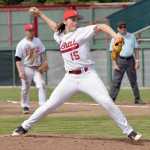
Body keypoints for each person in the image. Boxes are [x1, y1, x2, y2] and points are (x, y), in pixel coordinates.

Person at [12, 7, 142, 141]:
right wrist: (40, 14)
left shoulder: (82, 32)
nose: (75, 22)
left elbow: (101, 26)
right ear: (66, 22)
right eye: (72, 19)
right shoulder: (60, 35)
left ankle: (129, 131)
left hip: (88, 76)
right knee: (50, 104)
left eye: (76, 19)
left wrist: (115, 36)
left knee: (107, 102)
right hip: (70, 78)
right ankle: (24, 127)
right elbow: (54, 27)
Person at [109, 21, 144, 104]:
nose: (123, 29)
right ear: (118, 29)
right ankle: (111, 99)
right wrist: (114, 64)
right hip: (120, 60)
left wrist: (137, 61)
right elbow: (112, 52)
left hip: (130, 60)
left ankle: (137, 99)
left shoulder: (131, 36)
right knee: (116, 81)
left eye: (124, 27)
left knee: (133, 81)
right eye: (121, 27)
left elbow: (136, 49)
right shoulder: (115, 37)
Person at [15, 23, 47, 114]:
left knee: (41, 84)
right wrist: (20, 71)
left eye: (32, 30)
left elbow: (43, 52)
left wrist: (45, 62)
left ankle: (42, 105)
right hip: (26, 68)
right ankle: (25, 105)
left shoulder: (38, 41)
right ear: (26, 32)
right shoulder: (21, 43)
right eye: (29, 30)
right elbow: (17, 59)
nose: (31, 32)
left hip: (37, 68)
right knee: (25, 88)